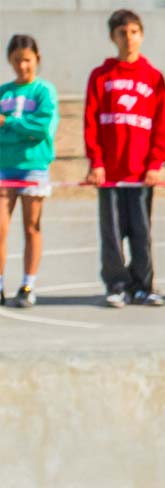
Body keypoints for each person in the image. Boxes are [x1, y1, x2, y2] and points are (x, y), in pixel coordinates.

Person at [84, 8, 165, 308]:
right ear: (113, 37)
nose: (129, 39)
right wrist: (95, 161)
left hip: (140, 173)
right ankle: (117, 285)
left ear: (142, 35)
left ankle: (144, 286)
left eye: (134, 32)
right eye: (122, 33)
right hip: (109, 172)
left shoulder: (153, 78)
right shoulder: (101, 76)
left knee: (141, 232)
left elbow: (162, 124)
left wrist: (156, 163)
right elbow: (91, 122)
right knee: (111, 232)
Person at [0, 34, 56, 308]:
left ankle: (27, 284)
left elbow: (41, 129)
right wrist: (20, 131)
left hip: (34, 168)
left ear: (37, 59)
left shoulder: (44, 91)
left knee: (32, 227)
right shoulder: (4, 92)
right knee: (0, 227)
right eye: (17, 60)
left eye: (27, 60)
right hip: (4, 167)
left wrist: (8, 124)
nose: (22, 66)